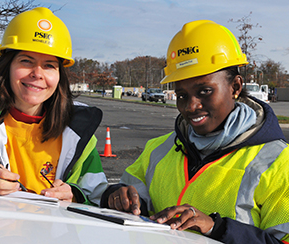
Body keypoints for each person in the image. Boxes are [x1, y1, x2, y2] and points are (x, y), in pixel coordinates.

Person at [100, 20, 289, 243]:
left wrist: (217, 229)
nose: (191, 106)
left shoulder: (279, 163)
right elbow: (129, 197)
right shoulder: (158, 149)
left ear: (235, 87)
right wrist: (117, 196)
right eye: (182, 95)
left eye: (205, 91)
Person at [0, 7, 107, 206]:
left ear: (59, 76)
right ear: (7, 67)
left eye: (49, 65)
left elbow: (98, 195)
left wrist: (75, 196)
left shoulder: (78, 132)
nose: (37, 73)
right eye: (26, 61)